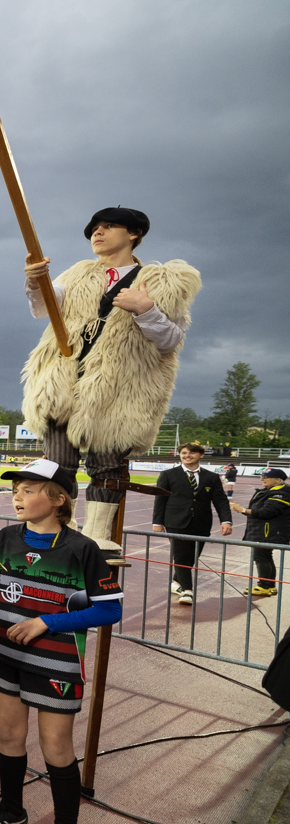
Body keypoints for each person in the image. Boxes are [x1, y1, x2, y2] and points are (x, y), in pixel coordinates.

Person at [0, 459, 122, 824]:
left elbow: (110, 608)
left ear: (58, 498)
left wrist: (46, 623)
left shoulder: (82, 548)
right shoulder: (7, 537)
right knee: (9, 736)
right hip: (5, 654)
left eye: (29, 489)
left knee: (55, 747)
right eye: (16, 489)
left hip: (57, 662)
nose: (17, 496)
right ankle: (12, 812)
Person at [21, 207, 201, 557]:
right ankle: (62, 530)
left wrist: (145, 308)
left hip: (118, 390)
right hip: (63, 381)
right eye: (94, 228)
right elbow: (44, 307)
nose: (97, 233)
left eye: (108, 226)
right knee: (57, 463)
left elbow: (171, 340)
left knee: (106, 464)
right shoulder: (78, 273)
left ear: (133, 234)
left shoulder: (162, 280)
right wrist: (34, 282)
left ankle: (98, 535)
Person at [151, 442, 232, 605]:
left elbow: (221, 501)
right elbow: (160, 499)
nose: (187, 456)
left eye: (191, 453)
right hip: (175, 522)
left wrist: (226, 520)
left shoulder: (212, 477)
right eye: (184, 453)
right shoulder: (168, 475)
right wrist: (157, 522)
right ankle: (188, 591)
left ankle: (176, 583)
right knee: (181, 556)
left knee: (192, 557)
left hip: (201, 523)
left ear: (200, 455)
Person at [230, 468, 289, 597]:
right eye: (262, 477)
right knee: (265, 556)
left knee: (261, 557)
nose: (262, 479)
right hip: (264, 531)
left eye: (266, 477)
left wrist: (243, 510)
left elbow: (266, 512)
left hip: (268, 532)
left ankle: (264, 586)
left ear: (278, 480)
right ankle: (270, 585)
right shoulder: (270, 491)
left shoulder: (281, 493)